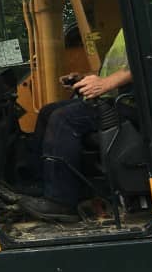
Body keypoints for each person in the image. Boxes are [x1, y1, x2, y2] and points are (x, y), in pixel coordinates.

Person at [19, 29, 132, 222]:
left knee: (64, 118)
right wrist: (86, 78)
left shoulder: (148, 17)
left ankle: (60, 201)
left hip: (130, 102)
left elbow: (151, 60)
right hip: (111, 96)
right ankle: (40, 185)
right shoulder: (127, 26)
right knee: (47, 112)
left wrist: (105, 84)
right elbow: (120, 69)